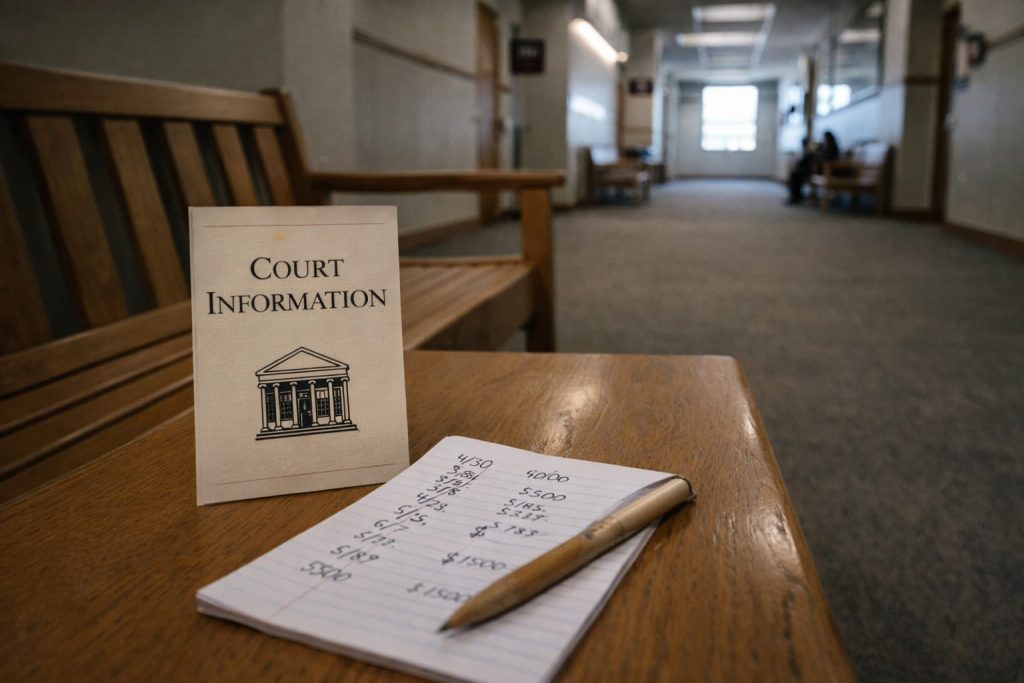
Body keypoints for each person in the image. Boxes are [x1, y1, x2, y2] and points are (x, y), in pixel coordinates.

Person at [786, 130, 843, 205]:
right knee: (796, 173)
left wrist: (818, 156)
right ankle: (796, 196)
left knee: (797, 174)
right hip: (819, 169)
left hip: (825, 170)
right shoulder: (826, 146)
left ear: (828, 138)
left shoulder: (832, 147)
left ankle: (796, 197)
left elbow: (827, 159)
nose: (823, 139)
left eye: (824, 138)